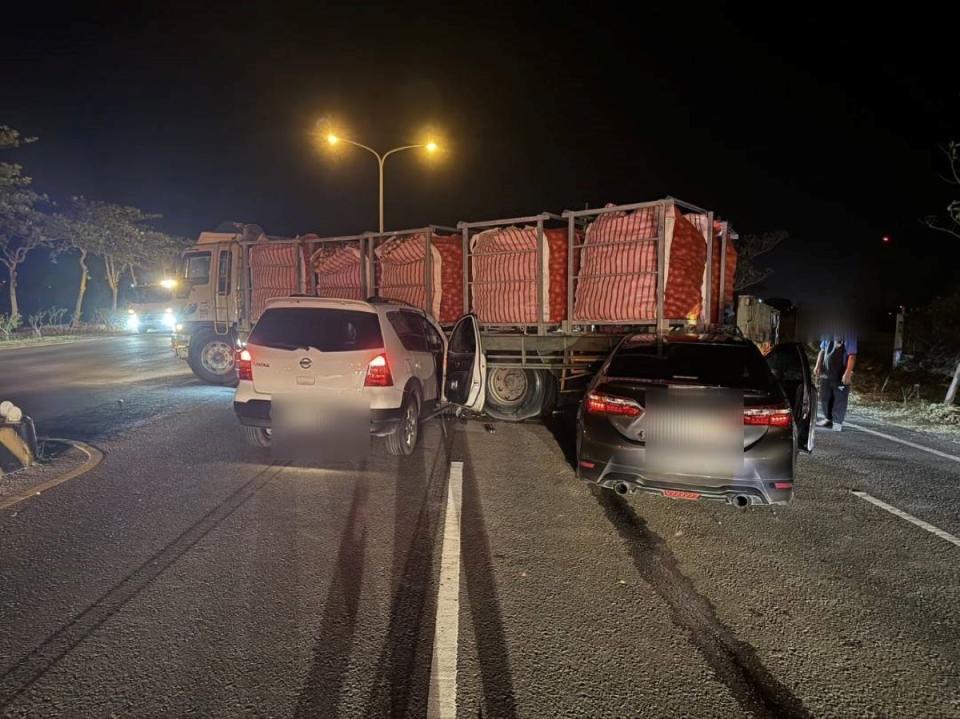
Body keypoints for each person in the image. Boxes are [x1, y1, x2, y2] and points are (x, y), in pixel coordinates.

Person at [814, 332, 857, 431]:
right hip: (827, 370)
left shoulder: (849, 334)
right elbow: (822, 349)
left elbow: (852, 355)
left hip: (840, 371)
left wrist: (847, 373)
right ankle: (828, 418)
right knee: (825, 396)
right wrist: (818, 365)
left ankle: (837, 422)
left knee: (839, 398)